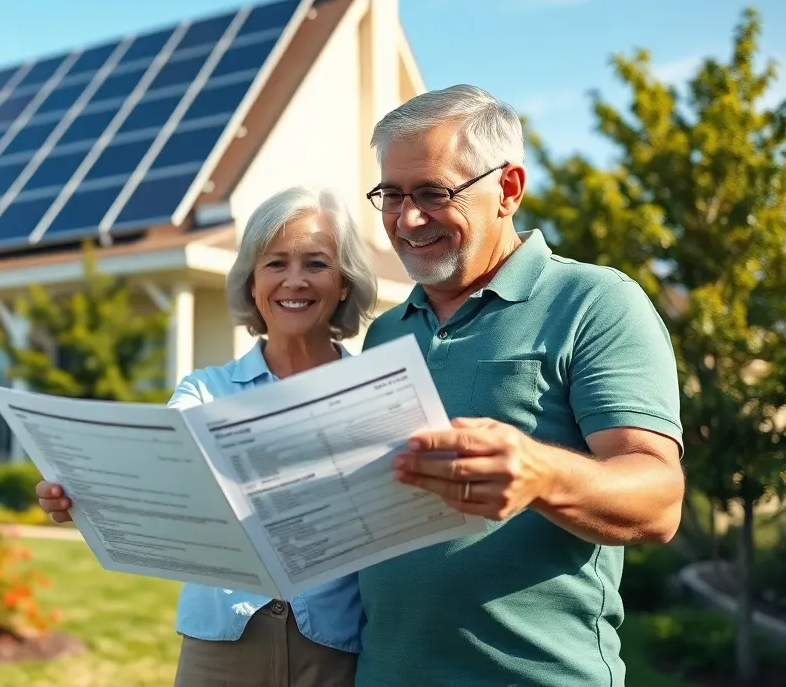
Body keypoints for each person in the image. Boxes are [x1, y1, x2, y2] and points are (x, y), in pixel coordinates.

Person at [353, 84, 685, 686]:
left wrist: (540, 474)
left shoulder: (595, 303)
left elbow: (660, 500)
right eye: (391, 195)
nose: (406, 219)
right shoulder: (384, 334)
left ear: (507, 189)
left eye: (433, 192)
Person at [38, 183, 382, 686]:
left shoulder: (376, 394)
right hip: (221, 646)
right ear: (251, 282)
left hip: (335, 647)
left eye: (316, 263)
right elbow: (155, 475)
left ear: (345, 282)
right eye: (275, 263)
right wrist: (77, 493)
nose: (295, 281)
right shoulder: (204, 391)